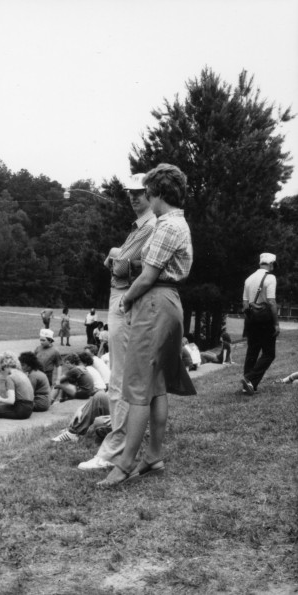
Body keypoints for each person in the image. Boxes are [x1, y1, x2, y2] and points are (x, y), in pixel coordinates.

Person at [97, 163, 196, 488]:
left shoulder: (166, 226)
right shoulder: (177, 223)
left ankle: (125, 464)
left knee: (138, 386)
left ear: (158, 195)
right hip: (166, 304)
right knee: (155, 386)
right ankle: (153, 455)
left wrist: (126, 300)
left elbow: (147, 276)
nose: (147, 200)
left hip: (154, 303)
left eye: (149, 193)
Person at [78, 173, 156, 471]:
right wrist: (118, 256)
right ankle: (121, 438)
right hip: (124, 297)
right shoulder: (141, 225)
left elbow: (123, 265)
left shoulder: (148, 225)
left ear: (151, 193)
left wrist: (114, 254)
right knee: (122, 377)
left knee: (120, 378)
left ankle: (112, 449)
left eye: (139, 192)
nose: (133, 197)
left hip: (126, 298)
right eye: (130, 193)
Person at [241, 253, 279, 395]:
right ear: (270, 264)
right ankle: (249, 379)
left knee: (252, 351)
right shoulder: (270, 278)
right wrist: (276, 324)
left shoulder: (248, 279)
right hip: (265, 319)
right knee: (269, 353)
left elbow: (245, 304)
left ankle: (248, 386)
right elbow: (271, 302)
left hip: (251, 320)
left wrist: (251, 319)